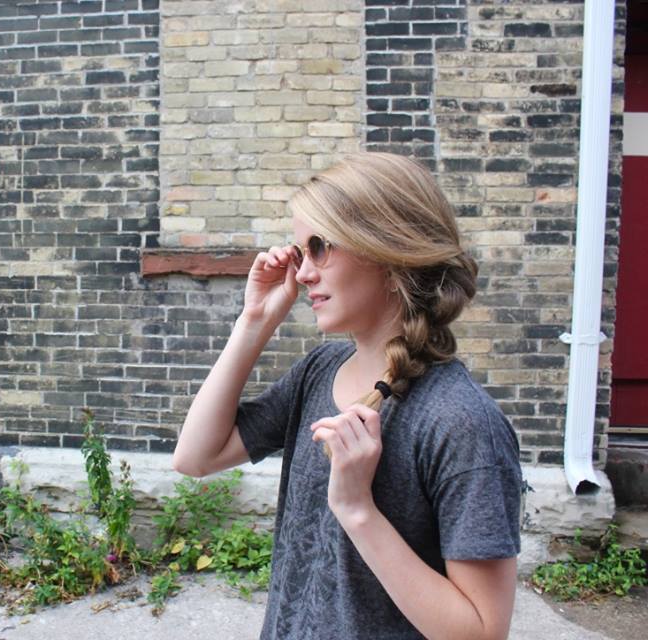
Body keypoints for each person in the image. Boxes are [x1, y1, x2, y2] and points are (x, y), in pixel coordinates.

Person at [172, 152, 523, 640]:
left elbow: (481, 632)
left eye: (320, 247)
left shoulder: (460, 423)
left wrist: (358, 510)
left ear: (388, 250)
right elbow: (195, 457)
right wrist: (254, 322)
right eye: (300, 253)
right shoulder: (320, 371)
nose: (303, 274)